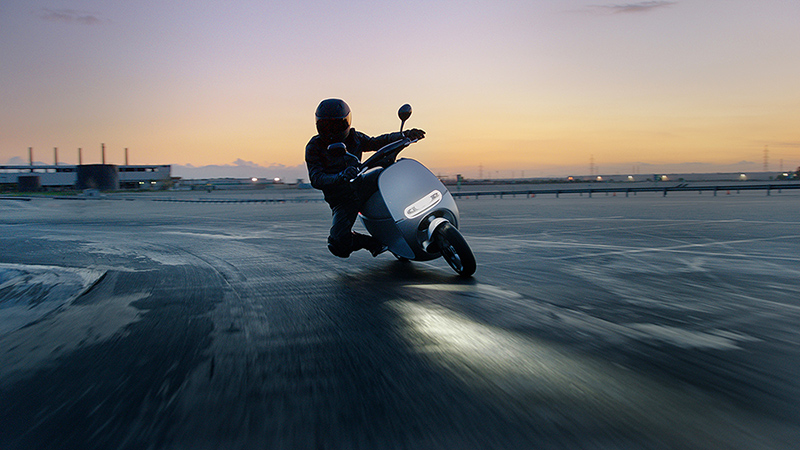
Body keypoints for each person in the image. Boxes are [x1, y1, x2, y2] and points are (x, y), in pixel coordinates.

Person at [305, 98, 425, 258]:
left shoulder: (354, 137)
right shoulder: (314, 146)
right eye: (326, 126)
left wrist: (404, 135)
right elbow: (316, 178)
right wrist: (340, 176)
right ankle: (373, 243)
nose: (332, 130)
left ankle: (418, 202)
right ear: (318, 125)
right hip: (341, 199)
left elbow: (376, 142)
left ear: (346, 122)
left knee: (386, 165)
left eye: (337, 125)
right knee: (338, 243)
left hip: (363, 184)